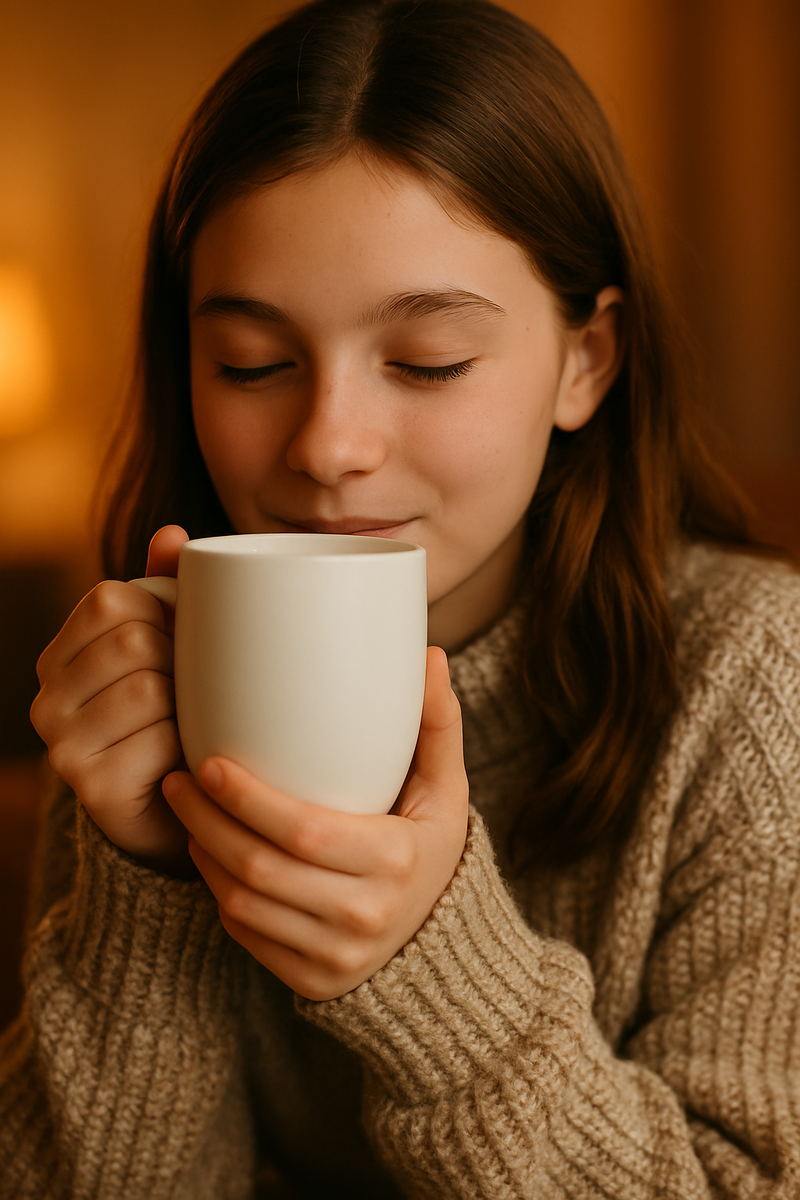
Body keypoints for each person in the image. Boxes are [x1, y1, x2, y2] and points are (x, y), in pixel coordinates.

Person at [2, 0, 799, 1195]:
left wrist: (435, 973)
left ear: (585, 360)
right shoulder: (152, 683)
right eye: (252, 365)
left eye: (427, 362)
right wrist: (144, 889)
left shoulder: (754, 684)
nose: (327, 445)